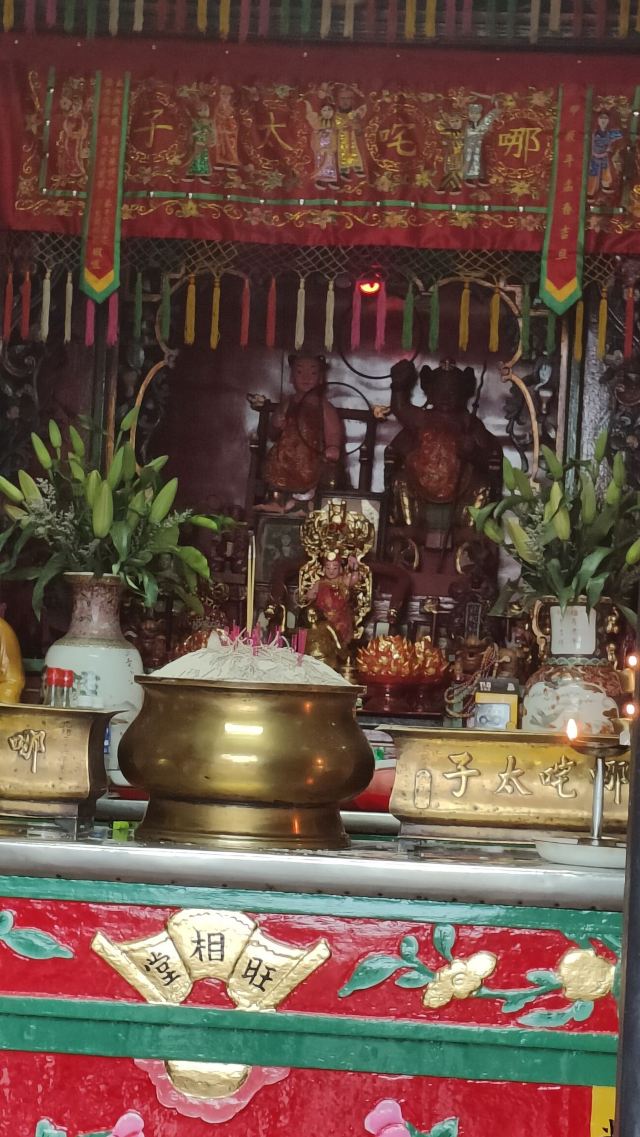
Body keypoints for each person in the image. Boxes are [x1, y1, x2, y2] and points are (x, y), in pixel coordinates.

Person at [250, 353, 345, 514]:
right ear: (291, 377)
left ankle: (305, 503)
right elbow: (272, 434)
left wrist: (333, 446)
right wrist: (277, 424)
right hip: (285, 453)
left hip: (311, 455)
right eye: (300, 372)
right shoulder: (288, 402)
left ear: (320, 378)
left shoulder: (323, 406)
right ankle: (277, 500)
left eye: (313, 373)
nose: (306, 378)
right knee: (276, 468)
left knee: (317, 474)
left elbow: (333, 431)